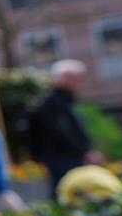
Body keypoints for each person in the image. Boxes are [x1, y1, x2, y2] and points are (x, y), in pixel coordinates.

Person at [29, 59, 93, 196]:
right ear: (64, 79)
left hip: (66, 157)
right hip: (63, 159)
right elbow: (63, 132)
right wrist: (84, 150)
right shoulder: (55, 103)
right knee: (67, 194)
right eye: (76, 78)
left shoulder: (66, 101)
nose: (79, 82)